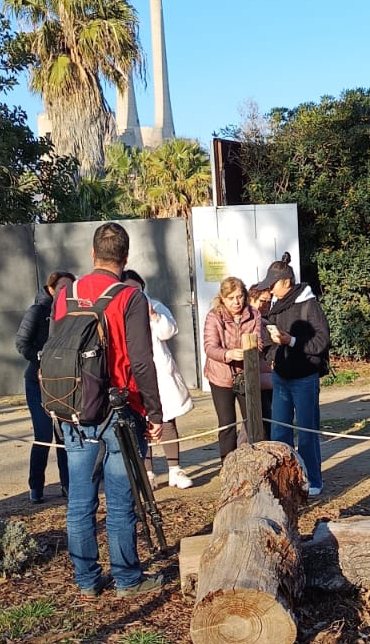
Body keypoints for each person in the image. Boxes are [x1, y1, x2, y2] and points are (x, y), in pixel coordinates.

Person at [53, 222, 165, 600]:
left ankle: (86, 580)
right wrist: (154, 412)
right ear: (126, 257)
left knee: (79, 502)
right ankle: (127, 579)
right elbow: (142, 361)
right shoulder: (131, 297)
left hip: (73, 408)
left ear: (92, 254)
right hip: (119, 409)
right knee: (119, 502)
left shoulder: (65, 294)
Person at [260, 253, 330, 499]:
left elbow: (321, 341)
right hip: (281, 377)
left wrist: (291, 341)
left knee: (307, 431)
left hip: (305, 377)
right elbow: (269, 340)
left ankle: (313, 480)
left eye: (273, 284)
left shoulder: (309, 304)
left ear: (286, 282)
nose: (270, 289)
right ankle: (284, 482)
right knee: (280, 432)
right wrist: (271, 354)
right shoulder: (275, 306)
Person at [124, 269, 194, 489]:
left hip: (160, 373)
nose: (134, 293)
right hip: (134, 374)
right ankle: (148, 472)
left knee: (167, 419)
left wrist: (153, 315)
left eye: (137, 289)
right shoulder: (120, 310)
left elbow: (168, 331)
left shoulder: (155, 306)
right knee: (141, 422)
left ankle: (175, 470)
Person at [15, 269, 74, 503]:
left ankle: (68, 484)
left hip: (65, 383)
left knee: (65, 434)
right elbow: (22, 343)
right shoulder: (38, 311)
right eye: (62, 288)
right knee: (43, 434)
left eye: (70, 288)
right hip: (38, 382)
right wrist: (42, 357)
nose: (66, 292)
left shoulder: (74, 311)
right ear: (51, 289)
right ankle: (36, 486)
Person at [203, 276, 262, 463]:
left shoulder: (254, 314)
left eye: (240, 296)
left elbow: (259, 342)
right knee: (227, 424)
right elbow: (209, 347)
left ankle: (254, 463)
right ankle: (227, 466)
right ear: (222, 298)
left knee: (253, 422)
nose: (236, 302)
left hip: (247, 375)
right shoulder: (214, 316)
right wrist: (228, 354)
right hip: (220, 377)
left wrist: (249, 350)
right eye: (231, 298)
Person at [247, 283, 276, 425]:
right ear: (251, 300)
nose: (266, 305)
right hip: (256, 371)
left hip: (271, 371)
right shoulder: (249, 321)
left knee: (270, 412)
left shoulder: (271, 319)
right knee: (260, 414)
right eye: (262, 301)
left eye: (269, 302)